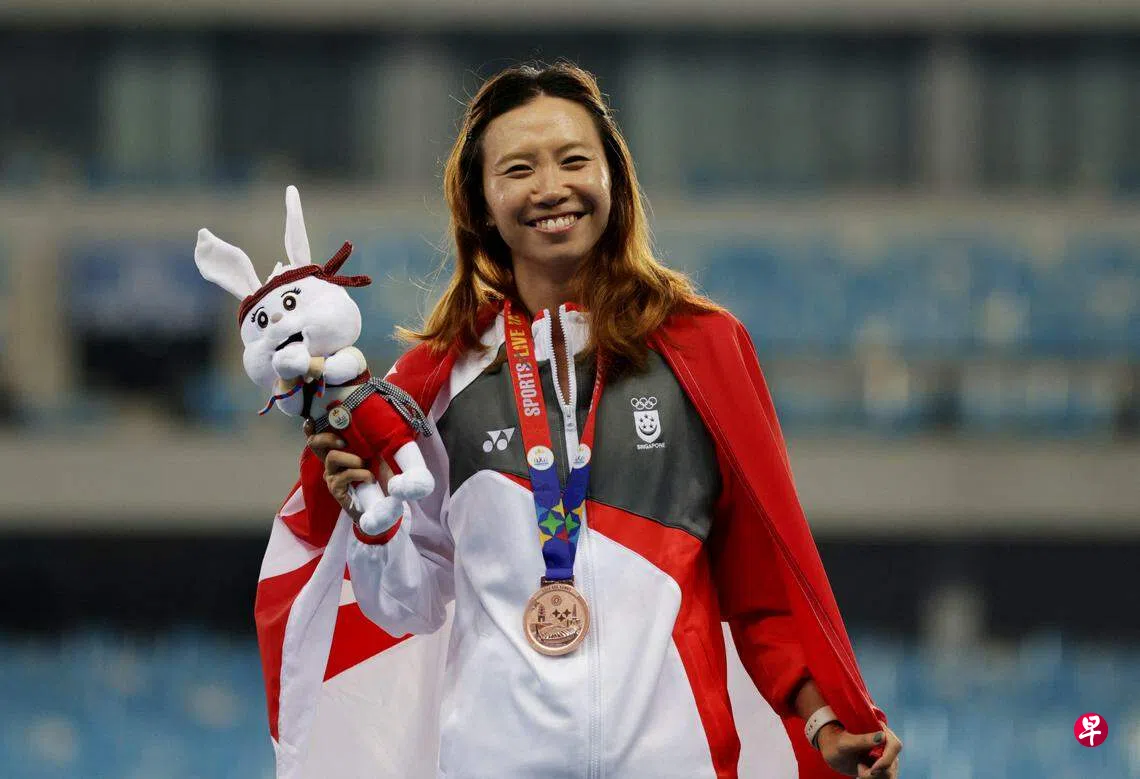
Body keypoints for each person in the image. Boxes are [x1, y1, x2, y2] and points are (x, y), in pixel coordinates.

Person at [302, 61, 901, 778]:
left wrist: (825, 717)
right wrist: (377, 528)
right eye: (518, 169)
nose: (550, 187)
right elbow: (413, 605)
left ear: (614, 179)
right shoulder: (433, 383)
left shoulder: (702, 351)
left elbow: (763, 579)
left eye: (573, 160)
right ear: (480, 202)